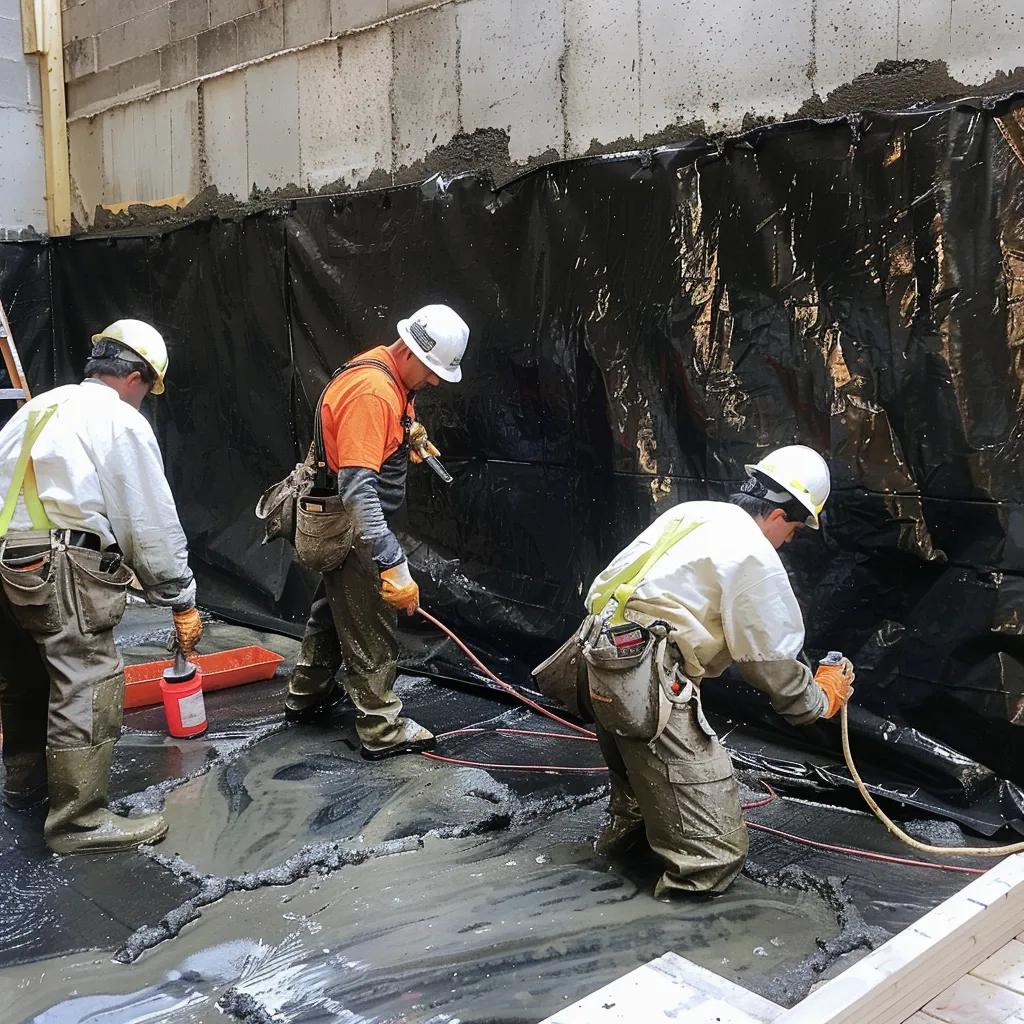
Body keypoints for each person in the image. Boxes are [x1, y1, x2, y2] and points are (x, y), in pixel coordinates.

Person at [584, 445, 854, 897]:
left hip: (599, 655)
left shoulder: (697, 513)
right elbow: (770, 665)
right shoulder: (755, 554)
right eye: (793, 531)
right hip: (646, 676)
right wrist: (820, 698)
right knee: (714, 855)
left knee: (637, 793)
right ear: (779, 515)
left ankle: (616, 864)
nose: (788, 542)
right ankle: (662, 943)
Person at [0, 319, 202, 855]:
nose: (143, 402)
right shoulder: (117, 420)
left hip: (4, 557)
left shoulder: (38, 408)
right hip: (56, 560)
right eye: (147, 390)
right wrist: (179, 594)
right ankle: (79, 823)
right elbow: (148, 522)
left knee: (23, 676)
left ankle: (25, 787)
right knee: (87, 676)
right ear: (135, 376)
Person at [284, 304, 469, 760]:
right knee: (371, 621)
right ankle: (382, 726)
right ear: (408, 349)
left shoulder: (384, 370)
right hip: (355, 527)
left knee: (334, 610)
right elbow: (357, 490)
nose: (434, 382)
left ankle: (306, 695)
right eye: (430, 372)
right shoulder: (373, 393)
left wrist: (409, 433)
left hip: (344, 519)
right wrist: (392, 563)